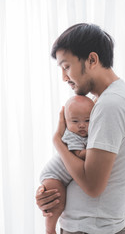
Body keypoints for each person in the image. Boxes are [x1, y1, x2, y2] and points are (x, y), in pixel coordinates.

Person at [35, 23, 125, 234]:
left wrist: (58, 142)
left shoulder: (110, 104)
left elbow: (93, 186)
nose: (64, 77)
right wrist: (52, 193)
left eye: (66, 66)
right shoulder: (101, 101)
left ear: (92, 59)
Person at [41, 95, 94, 234]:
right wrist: (95, 152)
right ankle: (50, 229)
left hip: (62, 176)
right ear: (65, 122)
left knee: (59, 201)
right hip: (54, 175)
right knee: (57, 203)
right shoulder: (71, 135)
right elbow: (77, 154)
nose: (81, 125)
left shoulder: (87, 135)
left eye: (87, 120)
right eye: (75, 121)